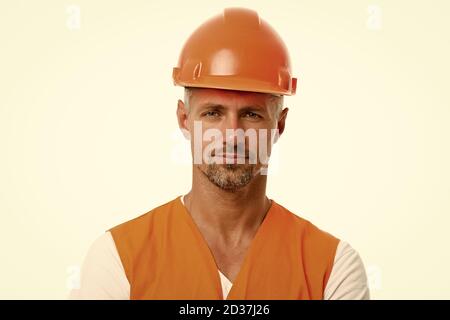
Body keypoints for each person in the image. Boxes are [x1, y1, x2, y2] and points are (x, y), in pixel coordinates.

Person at [69, 7, 370, 300]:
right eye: (213, 113)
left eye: (252, 115)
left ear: (279, 124)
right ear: (184, 119)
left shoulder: (332, 268)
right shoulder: (118, 260)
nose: (232, 134)